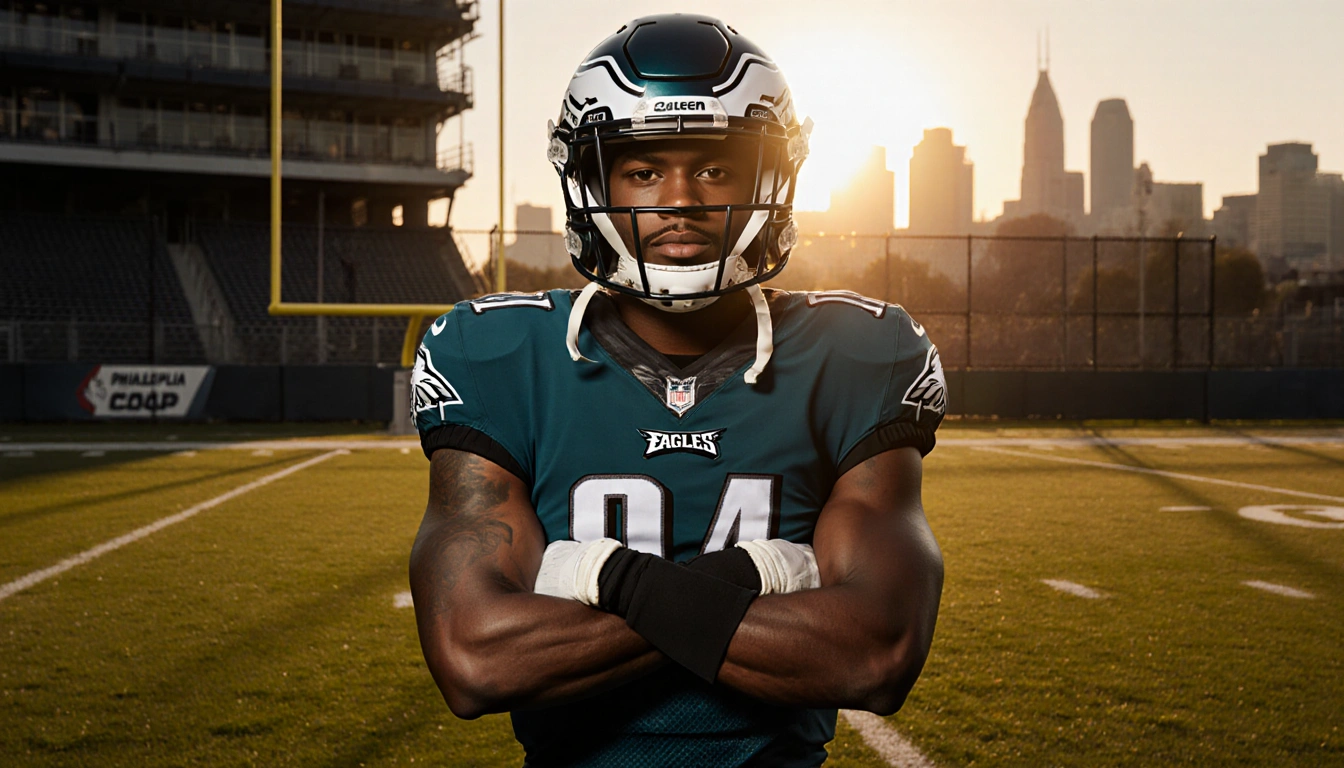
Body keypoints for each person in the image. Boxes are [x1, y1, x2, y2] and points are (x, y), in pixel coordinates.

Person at [409, 14, 946, 767]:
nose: (680, 198)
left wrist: (593, 579)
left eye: (716, 169)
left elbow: (875, 653)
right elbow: (476, 660)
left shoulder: (856, 353)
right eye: (642, 170)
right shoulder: (497, 354)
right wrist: (756, 577)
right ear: (590, 181)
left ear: (770, 178)